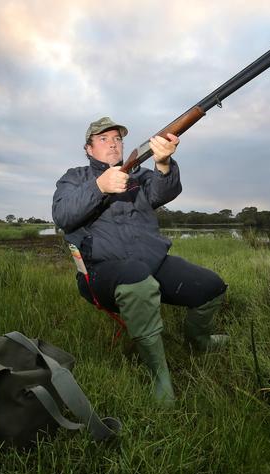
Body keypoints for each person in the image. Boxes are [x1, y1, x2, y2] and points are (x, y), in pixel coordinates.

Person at [52, 117, 228, 405]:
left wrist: (163, 165)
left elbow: (163, 191)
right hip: (100, 273)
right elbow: (62, 216)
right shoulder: (74, 178)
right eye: (104, 139)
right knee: (135, 278)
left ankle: (200, 341)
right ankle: (160, 375)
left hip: (151, 263)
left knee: (212, 286)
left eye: (118, 139)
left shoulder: (139, 176)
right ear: (88, 148)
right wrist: (100, 186)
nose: (113, 143)